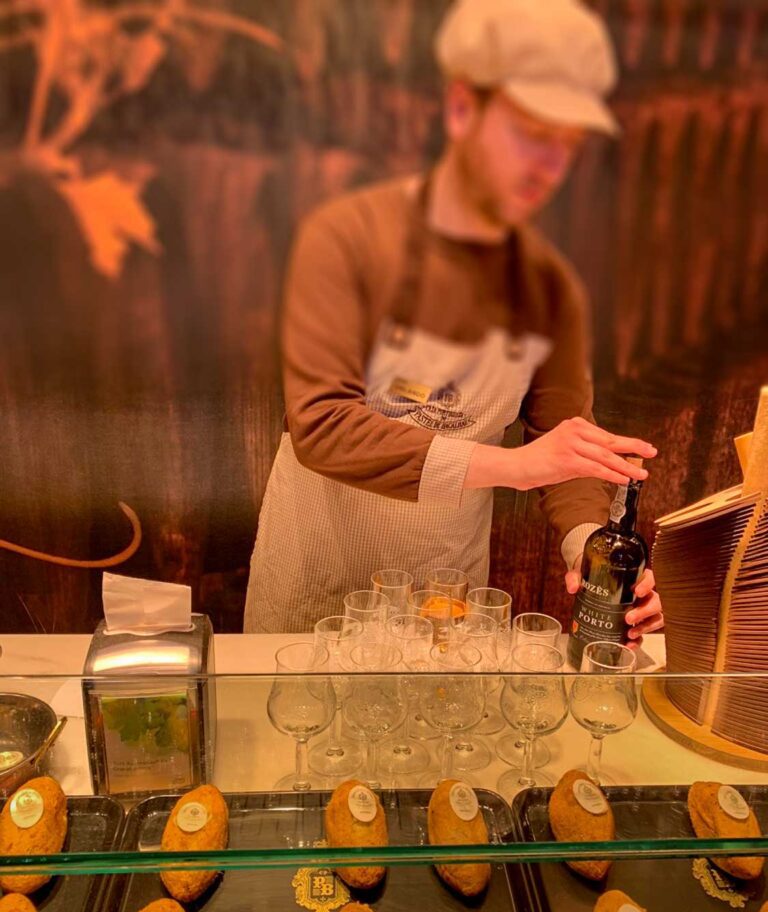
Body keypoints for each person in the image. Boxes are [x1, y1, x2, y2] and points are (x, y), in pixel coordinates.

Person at [244, 0, 664, 641]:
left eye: (565, 144)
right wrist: (512, 467)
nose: (546, 166)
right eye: (529, 132)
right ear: (464, 110)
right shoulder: (344, 240)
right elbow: (321, 426)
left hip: (445, 599)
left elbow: (563, 441)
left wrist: (591, 548)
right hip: (315, 588)